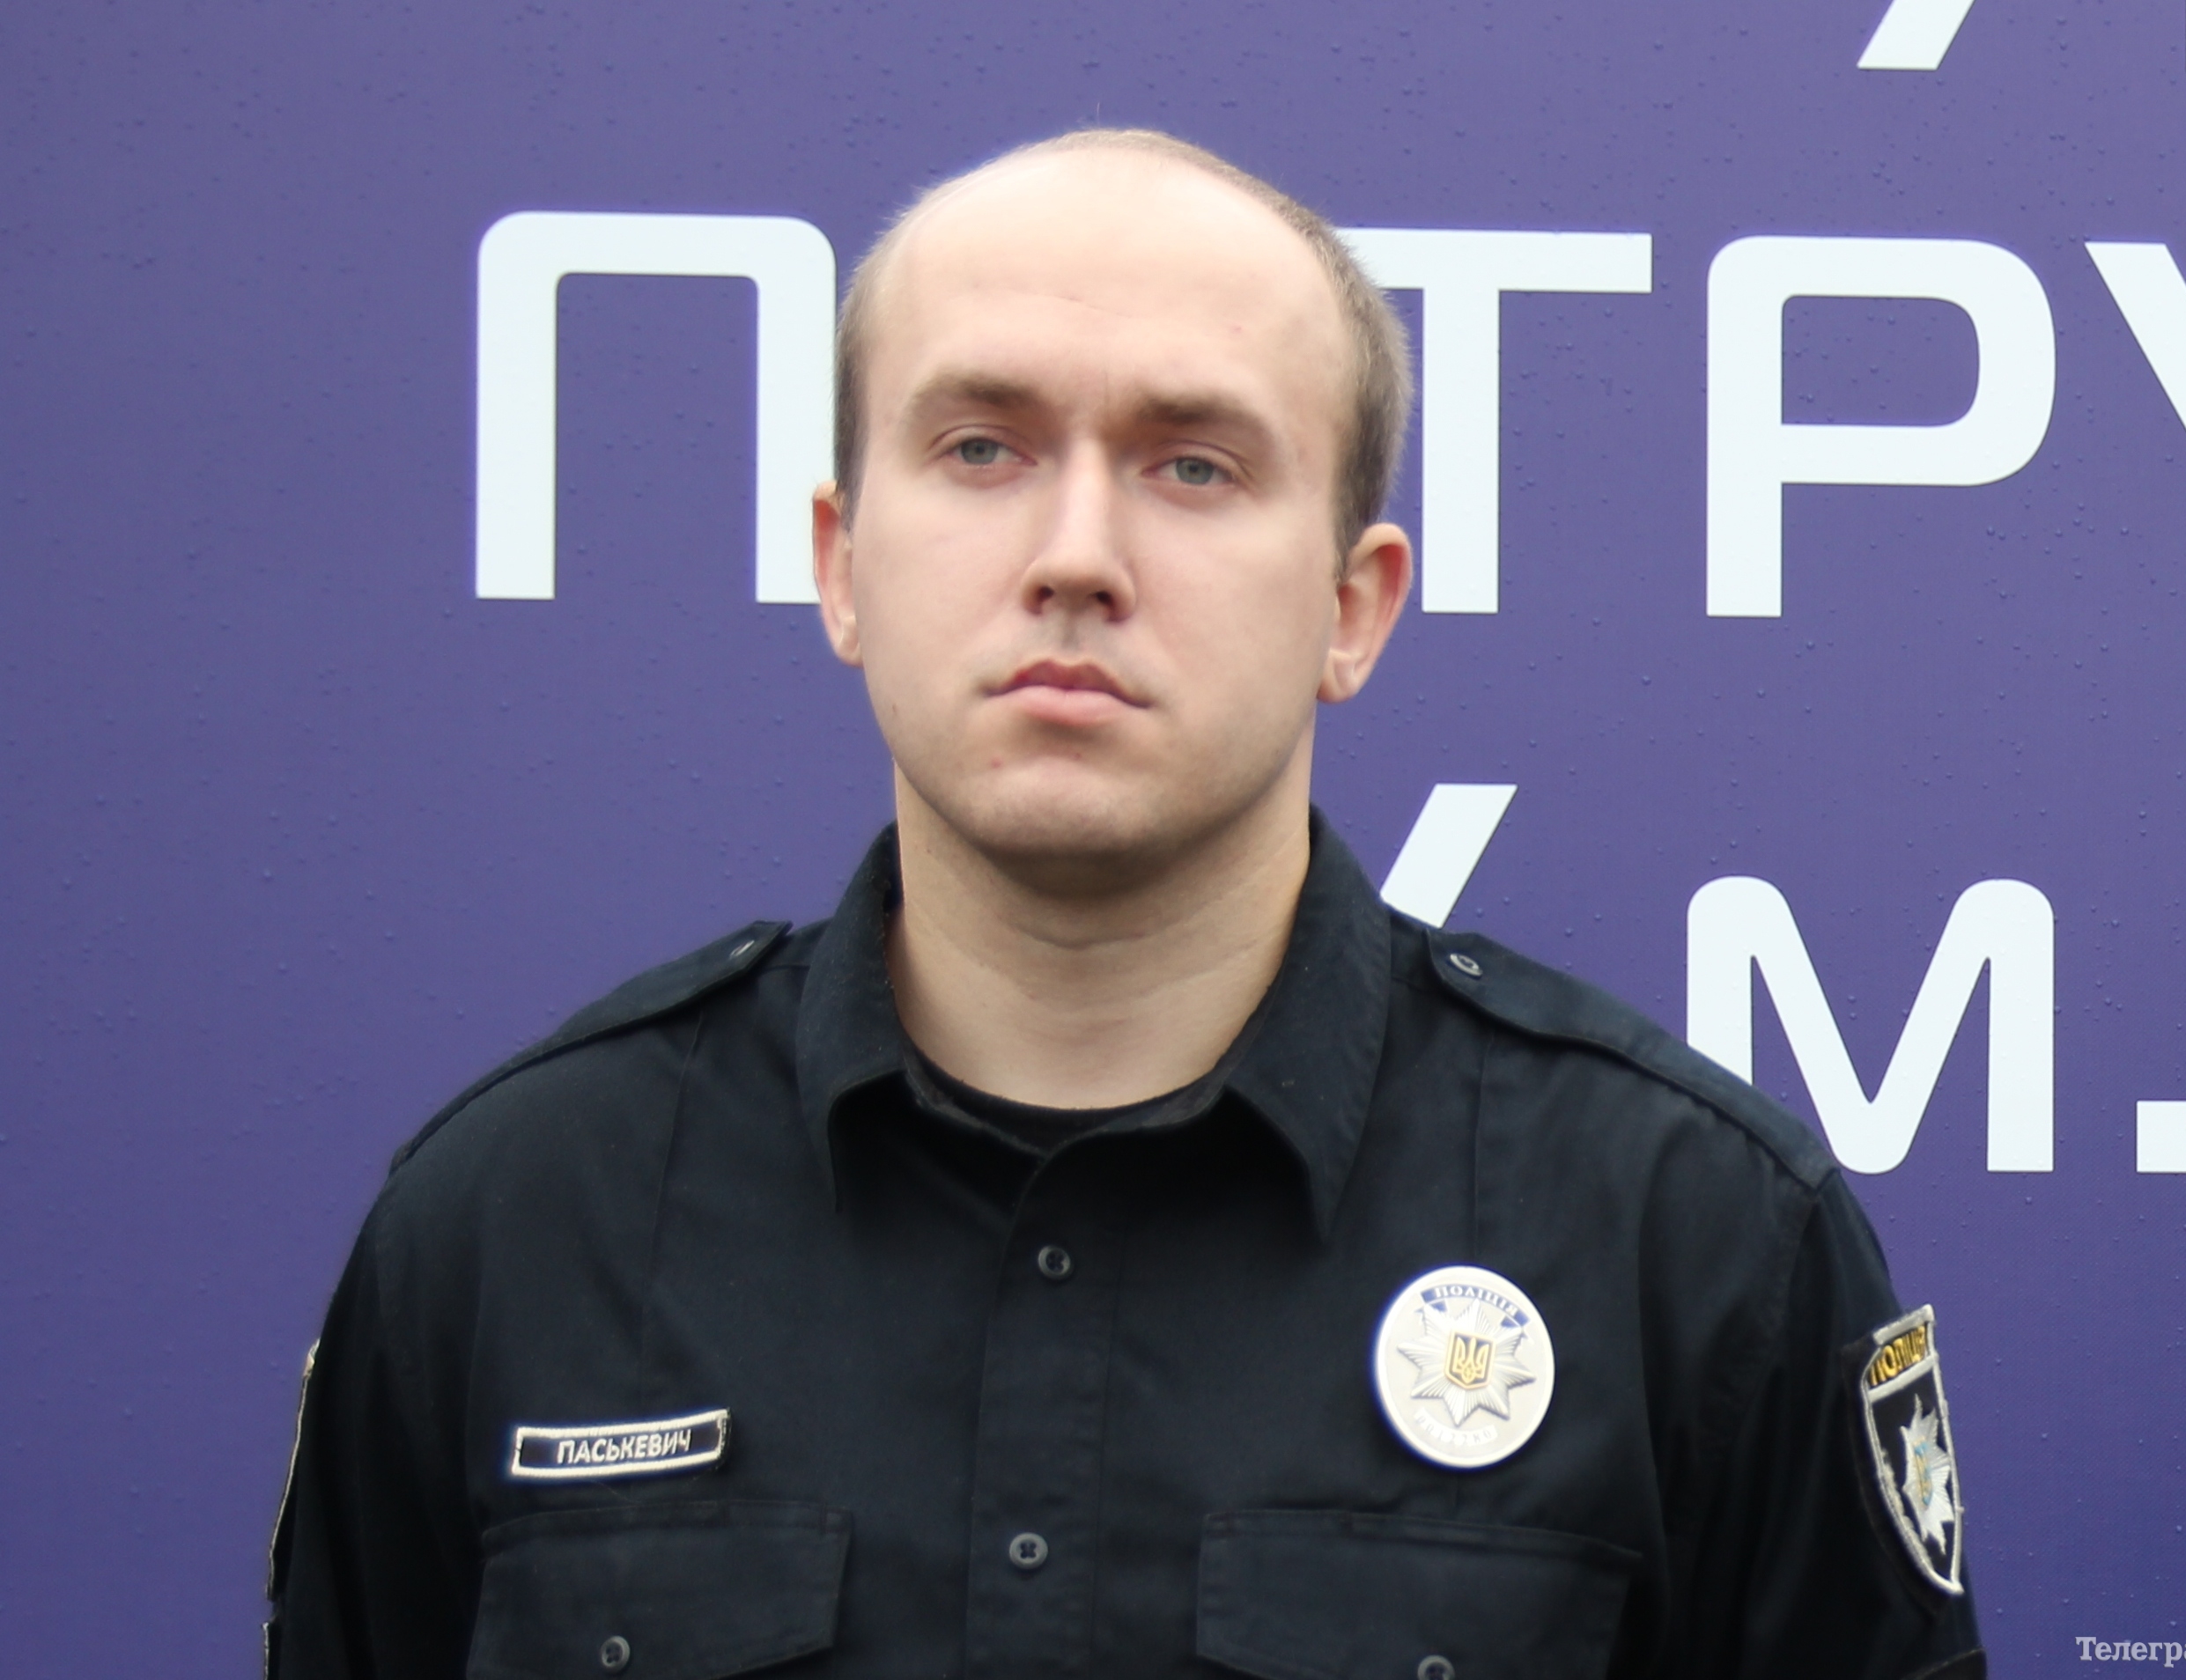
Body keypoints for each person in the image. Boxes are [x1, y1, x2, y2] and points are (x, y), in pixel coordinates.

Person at [265, 129, 1987, 1680]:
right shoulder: (515, 1223)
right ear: (843, 564)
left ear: (1352, 607)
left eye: (1192, 466)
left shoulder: (1692, 1246)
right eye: (980, 446)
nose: (1076, 555)